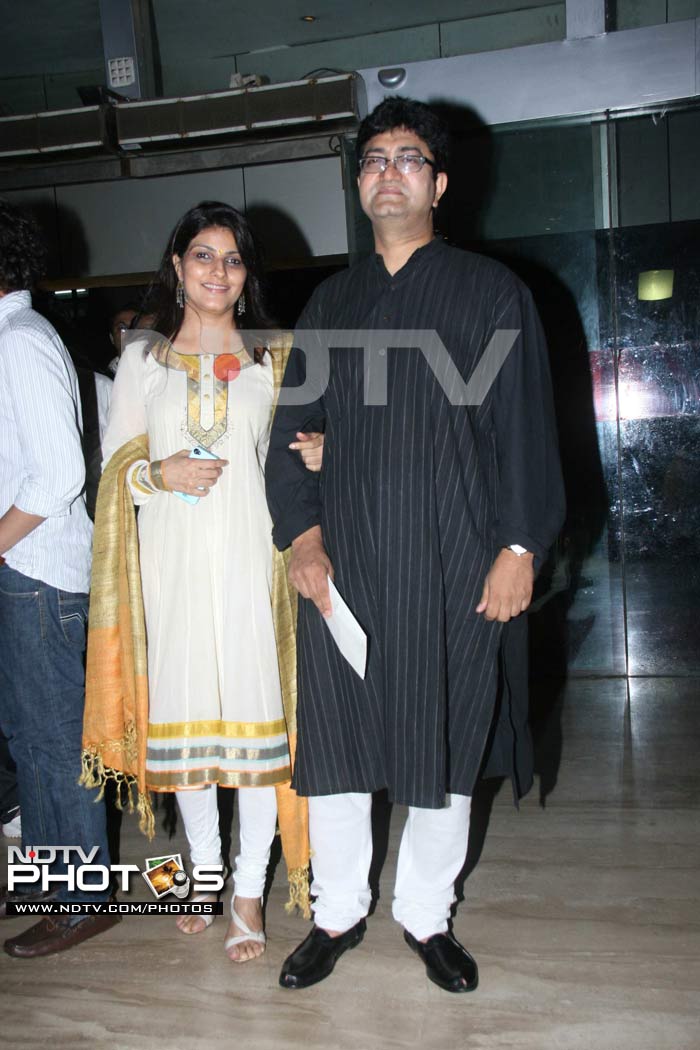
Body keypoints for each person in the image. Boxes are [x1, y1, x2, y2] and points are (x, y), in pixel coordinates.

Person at [265, 97, 566, 992]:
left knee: (445, 747)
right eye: (372, 159)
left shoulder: (489, 292)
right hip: (346, 571)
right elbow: (292, 437)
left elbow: (523, 431)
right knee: (341, 754)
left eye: (407, 157)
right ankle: (337, 913)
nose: (387, 170)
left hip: (452, 563)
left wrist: (520, 547)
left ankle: (427, 918)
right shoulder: (331, 301)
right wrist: (303, 541)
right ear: (360, 186)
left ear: (438, 182)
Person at [81, 200, 321, 962]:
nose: (219, 271)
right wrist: (162, 469)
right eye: (204, 256)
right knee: (185, 730)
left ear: (247, 276)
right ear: (179, 267)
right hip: (172, 564)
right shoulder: (143, 359)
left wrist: (320, 453)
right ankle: (200, 876)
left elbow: (293, 456)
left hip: (254, 558)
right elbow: (113, 471)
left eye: (233, 259)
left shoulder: (274, 357)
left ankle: (247, 893)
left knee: (255, 735)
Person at [0, 198, 116, 956]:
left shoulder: (19, 340)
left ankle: (81, 898)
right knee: (29, 737)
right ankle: (56, 886)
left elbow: (61, 475)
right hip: (29, 571)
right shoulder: (14, 338)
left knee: (48, 743)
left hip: (36, 573)